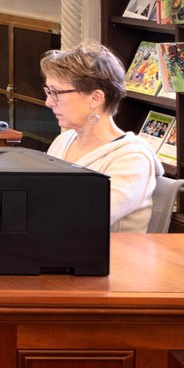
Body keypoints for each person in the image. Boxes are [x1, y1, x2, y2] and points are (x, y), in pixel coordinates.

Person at [38, 44, 160, 232]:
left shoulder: (132, 159)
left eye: (56, 93)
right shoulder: (64, 141)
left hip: (107, 251)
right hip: (55, 244)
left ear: (95, 98)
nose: (49, 102)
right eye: (48, 91)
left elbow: (83, 219)